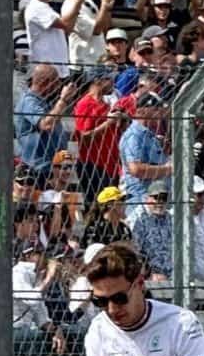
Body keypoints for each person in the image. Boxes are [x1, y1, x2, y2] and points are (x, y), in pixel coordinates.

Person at [15, 65, 76, 185]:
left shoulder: (44, 102)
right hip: (37, 170)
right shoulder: (29, 102)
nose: (59, 86)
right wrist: (63, 100)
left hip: (53, 169)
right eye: (56, 82)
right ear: (44, 82)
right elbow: (46, 124)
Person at [118, 91, 172, 227]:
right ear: (143, 111)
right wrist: (169, 169)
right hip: (141, 201)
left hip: (156, 201)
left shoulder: (149, 134)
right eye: (156, 109)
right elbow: (135, 169)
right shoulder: (134, 136)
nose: (160, 114)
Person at [74, 65, 123, 198]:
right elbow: (83, 136)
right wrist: (108, 122)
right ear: (97, 81)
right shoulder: (85, 104)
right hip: (94, 165)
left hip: (110, 164)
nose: (113, 83)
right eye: (109, 79)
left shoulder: (105, 104)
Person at [24, 0, 81, 77]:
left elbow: (67, 28)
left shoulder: (46, 8)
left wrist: (77, 6)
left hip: (58, 70)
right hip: (45, 73)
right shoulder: (36, 7)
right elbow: (64, 23)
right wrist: (77, 3)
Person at [61, 0, 115, 65]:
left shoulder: (88, 0)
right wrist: (104, 4)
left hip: (99, 60)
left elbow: (105, 27)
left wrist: (107, 7)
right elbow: (96, 30)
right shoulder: (69, 7)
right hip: (85, 64)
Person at [132, 180, 174, 279]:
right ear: (148, 198)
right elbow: (137, 252)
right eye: (156, 197)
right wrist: (149, 274)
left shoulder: (172, 219)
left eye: (164, 198)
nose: (160, 201)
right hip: (152, 277)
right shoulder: (140, 221)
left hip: (174, 275)